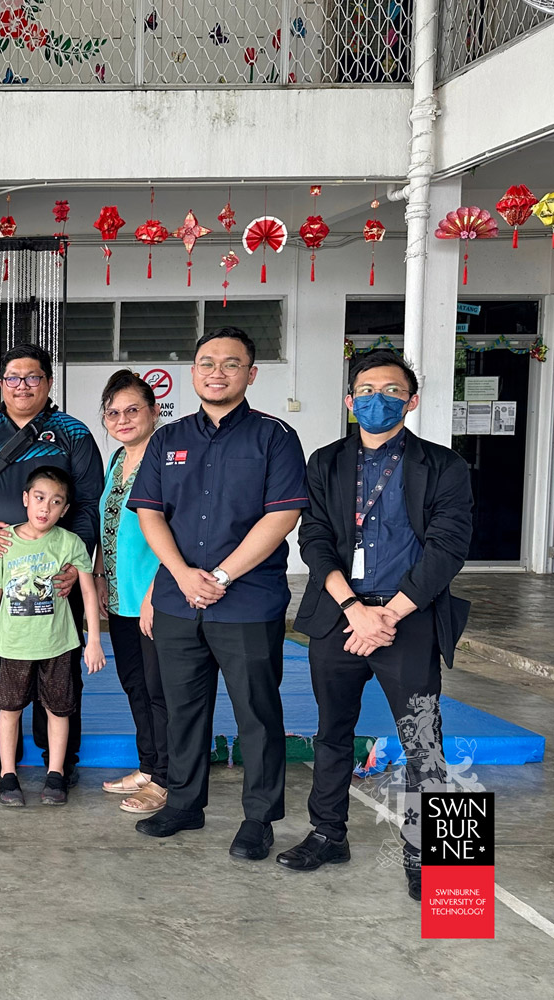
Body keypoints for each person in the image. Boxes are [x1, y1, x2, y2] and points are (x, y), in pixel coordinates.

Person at [279, 349, 473, 901]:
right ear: (348, 401)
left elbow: (448, 548)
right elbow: (312, 539)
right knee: (332, 732)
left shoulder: (444, 467)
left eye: (391, 390)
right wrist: (354, 610)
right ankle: (327, 834)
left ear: (411, 402)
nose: (376, 399)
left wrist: (388, 614)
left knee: (423, 740)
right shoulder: (326, 462)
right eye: (365, 389)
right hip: (340, 616)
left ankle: (435, 858)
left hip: (407, 620)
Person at [127, 327, 307, 862]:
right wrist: (182, 575)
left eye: (231, 364)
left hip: (248, 600)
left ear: (251, 374)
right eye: (207, 362)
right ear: (193, 372)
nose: (217, 372)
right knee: (183, 708)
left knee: (257, 710)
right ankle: (184, 803)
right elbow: (150, 514)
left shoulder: (274, 437)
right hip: (178, 600)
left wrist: (222, 576)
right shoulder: (168, 438)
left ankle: (260, 818)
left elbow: (283, 516)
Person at [0, 343, 103, 781]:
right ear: (0, 383)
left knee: (61, 671)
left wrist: (75, 563)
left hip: (58, 580)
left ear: (48, 383)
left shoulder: (74, 433)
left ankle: (58, 760)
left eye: (33, 377)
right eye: (13, 377)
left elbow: (90, 504)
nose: (22, 386)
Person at [0, 467, 105, 807]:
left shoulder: (69, 542)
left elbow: (88, 592)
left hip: (58, 644)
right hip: (14, 644)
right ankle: (8, 774)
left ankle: (55, 773)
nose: (45, 508)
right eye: (39, 498)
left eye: (55, 502)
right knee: (9, 708)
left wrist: (93, 639)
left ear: (65, 509)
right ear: (25, 499)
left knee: (58, 709)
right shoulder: (6, 541)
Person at [95, 371, 170, 816]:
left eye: (132, 409)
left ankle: (165, 780)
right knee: (135, 685)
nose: (122, 419)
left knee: (161, 690)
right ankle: (148, 764)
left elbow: (177, 533)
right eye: (112, 412)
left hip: (154, 598)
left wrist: (155, 594)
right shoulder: (115, 461)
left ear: (154, 411)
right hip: (121, 598)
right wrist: (103, 576)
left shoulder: (165, 462)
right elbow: (110, 528)